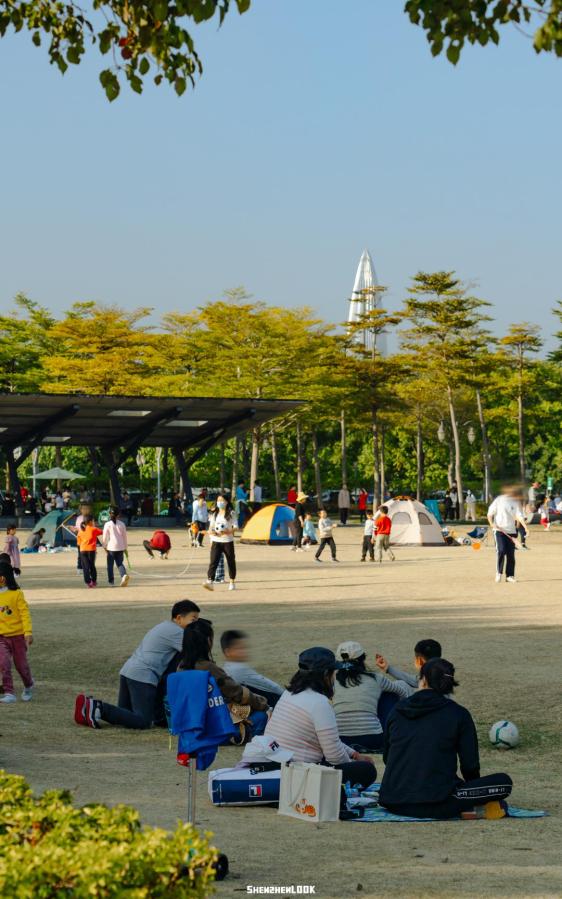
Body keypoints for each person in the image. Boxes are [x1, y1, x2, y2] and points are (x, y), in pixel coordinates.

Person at [379, 658, 513, 820]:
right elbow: (470, 766)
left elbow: (387, 757)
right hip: (437, 802)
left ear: (423, 681)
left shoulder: (397, 710)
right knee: (504, 782)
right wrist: (473, 791)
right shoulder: (459, 714)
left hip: (393, 799)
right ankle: (473, 810)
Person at [264, 646, 376, 813]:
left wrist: (354, 753)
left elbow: (328, 740)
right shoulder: (319, 703)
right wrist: (354, 763)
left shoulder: (289, 694)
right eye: (333, 673)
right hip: (299, 773)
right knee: (367, 771)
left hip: (277, 767)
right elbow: (334, 755)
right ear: (325, 675)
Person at [74, 600, 200, 729]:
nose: (197, 624)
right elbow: (196, 652)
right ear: (179, 618)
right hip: (143, 676)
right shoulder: (178, 632)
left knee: (125, 716)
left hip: (128, 671)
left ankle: (87, 707)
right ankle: (97, 707)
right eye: (194, 619)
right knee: (143, 721)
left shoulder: (164, 626)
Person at [179, 619, 269, 742]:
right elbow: (237, 693)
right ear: (208, 641)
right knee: (261, 716)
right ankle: (249, 740)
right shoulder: (208, 668)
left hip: (189, 727)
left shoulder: (181, 667)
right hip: (211, 730)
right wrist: (263, 704)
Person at [333, 641, 411, 752]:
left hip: (342, 740)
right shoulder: (376, 678)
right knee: (393, 690)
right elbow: (402, 692)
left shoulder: (332, 680)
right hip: (373, 739)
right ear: (363, 659)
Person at [221, 629, 283, 707]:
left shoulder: (227, 667)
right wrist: (285, 695)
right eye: (239, 648)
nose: (244, 651)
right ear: (228, 652)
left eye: (245, 647)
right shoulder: (239, 669)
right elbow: (269, 686)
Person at [0, 561, 34, 703]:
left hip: (18, 636)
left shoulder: (17, 594)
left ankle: (29, 684)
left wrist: (28, 632)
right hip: (1, 637)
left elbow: (24, 614)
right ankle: (9, 693)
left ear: (3, 577)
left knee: (21, 666)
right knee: (3, 663)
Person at [487, 486, 528, 583]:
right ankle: (499, 573)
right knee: (501, 550)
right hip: (499, 530)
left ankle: (510, 576)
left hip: (512, 531)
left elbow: (519, 516)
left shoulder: (516, 502)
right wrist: (491, 524)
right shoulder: (499, 500)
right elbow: (490, 513)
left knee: (511, 554)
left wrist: (526, 527)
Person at [375, 638, 442, 697]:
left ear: (421, 660)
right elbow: (414, 680)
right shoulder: (439, 673)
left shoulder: (429, 681)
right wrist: (388, 668)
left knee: (400, 685)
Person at [203, 495, 237, 591]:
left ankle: (232, 581)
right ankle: (210, 581)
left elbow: (236, 526)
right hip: (216, 541)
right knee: (213, 561)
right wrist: (211, 533)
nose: (220, 502)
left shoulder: (231, 513)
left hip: (227, 541)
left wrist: (228, 531)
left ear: (226, 502)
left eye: (222, 500)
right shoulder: (215, 514)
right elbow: (211, 527)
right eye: (218, 500)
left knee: (231, 561)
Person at [102, 508, 130, 587]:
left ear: (109, 514)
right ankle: (123, 575)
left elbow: (105, 537)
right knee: (120, 563)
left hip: (111, 547)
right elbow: (124, 537)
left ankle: (111, 582)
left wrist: (104, 546)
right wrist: (125, 548)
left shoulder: (107, 524)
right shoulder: (122, 524)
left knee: (110, 565)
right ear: (118, 515)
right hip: (120, 547)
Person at [77, 515, 103, 588]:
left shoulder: (80, 530)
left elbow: (78, 543)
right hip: (91, 550)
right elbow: (102, 532)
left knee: (85, 567)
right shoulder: (93, 529)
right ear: (90, 522)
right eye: (94, 521)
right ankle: (94, 581)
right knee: (92, 566)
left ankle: (88, 582)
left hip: (82, 550)